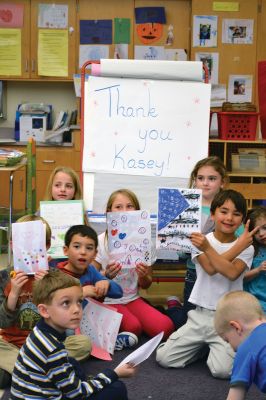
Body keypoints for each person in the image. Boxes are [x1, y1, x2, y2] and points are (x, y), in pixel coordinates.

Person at [156, 189, 258, 379]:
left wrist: (237, 246)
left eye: (236, 214)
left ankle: (210, 348)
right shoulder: (201, 240)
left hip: (228, 320)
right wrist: (234, 247)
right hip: (200, 314)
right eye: (224, 211)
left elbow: (231, 273)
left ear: (242, 219)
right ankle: (202, 348)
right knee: (164, 358)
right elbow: (211, 270)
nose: (229, 218)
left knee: (223, 371)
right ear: (212, 214)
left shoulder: (247, 247)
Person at [10, 269, 136, 400]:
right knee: (117, 388)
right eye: (66, 303)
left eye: (79, 302)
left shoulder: (40, 330)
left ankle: (85, 382)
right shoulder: (52, 350)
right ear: (44, 310)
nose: (76, 309)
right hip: (41, 395)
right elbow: (77, 394)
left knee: (72, 362)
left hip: (25, 394)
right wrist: (114, 373)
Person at [0, 215, 91, 389]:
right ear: (12, 245)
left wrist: (50, 288)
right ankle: (50, 371)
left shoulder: (56, 277)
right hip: (12, 345)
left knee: (83, 344)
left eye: (37, 244)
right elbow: (2, 323)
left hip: (48, 346)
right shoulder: (3, 277)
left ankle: (26, 371)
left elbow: (66, 323)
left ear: (47, 246)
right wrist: (13, 294)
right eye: (22, 243)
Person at [92, 189, 175, 349]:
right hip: (108, 300)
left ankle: (124, 325)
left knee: (166, 328)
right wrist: (105, 275)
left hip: (132, 298)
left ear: (137, 212)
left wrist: (143, 276)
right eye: (118, 207)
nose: (124, 211)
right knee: (133, 327)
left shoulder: (144, 242)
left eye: (130, 206)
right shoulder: (100, 241)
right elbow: (90, 280)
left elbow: (146, 284)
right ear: (108, 212)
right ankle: (121, 324)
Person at [166, 156, 229, 329]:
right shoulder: (185, 206)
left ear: (222, 182)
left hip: (220, 272)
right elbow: (179, 250)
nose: (205, 183)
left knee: (218, 319)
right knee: (186, 322)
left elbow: (235, 236)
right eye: (200, 178)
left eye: (212, 179)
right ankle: (173, 308)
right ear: (195, 181)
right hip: (194, 272)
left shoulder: (227, 208)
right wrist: (182, 245)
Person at [214, 291, 266, 398]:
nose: (232, 349)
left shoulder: (246, 347)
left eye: (227, 341)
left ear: (236, 327)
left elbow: (235, 396)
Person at [57, 224, 123, 301]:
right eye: (77, 246)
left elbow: (119, 293)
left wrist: (107, 283)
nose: (83, 252)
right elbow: (56, 303)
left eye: (89, 248)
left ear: (95, 254)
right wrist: (81, 293)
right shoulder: (57, 276)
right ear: (66, 250)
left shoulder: (91, 270)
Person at [244, 206, 266, 312]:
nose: (261, 234)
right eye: (256, 231)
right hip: (255, 305)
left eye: (265, 228)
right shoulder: (250, 249)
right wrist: (258, 270)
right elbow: (240, 277)